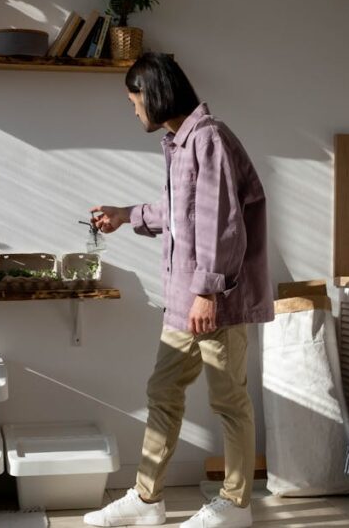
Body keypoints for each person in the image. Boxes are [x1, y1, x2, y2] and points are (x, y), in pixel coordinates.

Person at [84, 53, 273, 528]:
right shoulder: (181, 143)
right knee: (163, 391)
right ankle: (147, 500)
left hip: (215, 302)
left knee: (229, 400)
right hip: (186, 300)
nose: (134, 112)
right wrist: (126, 214)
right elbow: (180, 213)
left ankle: (236, 505)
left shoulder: (209, 139)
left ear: (153, 94)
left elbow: (223, 224)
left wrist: (209, 291)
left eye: (133, 102)